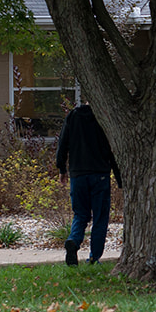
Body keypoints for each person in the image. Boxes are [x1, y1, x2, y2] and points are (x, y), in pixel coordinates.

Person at [55, 101, 121, 266]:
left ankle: (74, 241)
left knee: (80, 214)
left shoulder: (73, 116)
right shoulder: (103, 118)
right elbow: (111, 150)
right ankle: (94, 257)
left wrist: (62, 169)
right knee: (100, 217)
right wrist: (119, 178)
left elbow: (62, 143)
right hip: (100, 174)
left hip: (78, 174)